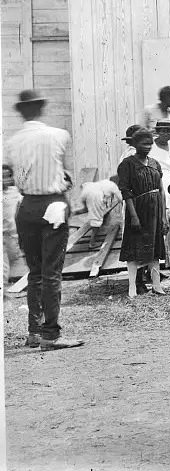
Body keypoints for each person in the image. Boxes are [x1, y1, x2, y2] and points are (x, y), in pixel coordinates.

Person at [6, 90, 83, 350]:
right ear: (40, 108)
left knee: (35, 273)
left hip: (26, 206)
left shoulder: (13, 141)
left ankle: (34, 332)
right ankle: (51, 335)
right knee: (51, 273)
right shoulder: (59, 135)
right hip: (53, 204)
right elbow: (65, 174)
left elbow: (14, 174)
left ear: (21, 111)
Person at [118, 127, 167, 299]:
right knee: (134, 248)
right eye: (143, 143)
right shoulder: (127, 164)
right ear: (134, 144)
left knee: (154, 248)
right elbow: (126, 192)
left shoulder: (155, 163)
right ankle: (132, 287)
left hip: (155, 210)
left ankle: (156, 285)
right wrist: (133, 216)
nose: (147, 146)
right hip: (138, 208)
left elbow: (161, 191)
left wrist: (163, 216)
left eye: (149, 143)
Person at [3, 164, 25, 293]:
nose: (6, 180)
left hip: (12, 234)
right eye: (3, 177)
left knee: (14, 259)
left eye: (8, 176)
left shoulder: (14, 192)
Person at [142, 85, 170, 152]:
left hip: (169, 150)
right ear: (165, 97)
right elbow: (141, 133)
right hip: (153, 149)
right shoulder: (149, 110)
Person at [149, 120, 170, 192]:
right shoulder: (150, 146)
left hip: (169, 183)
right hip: (151, 181)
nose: (166, 134)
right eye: (163, 131)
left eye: (169, 131)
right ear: (158, 132)